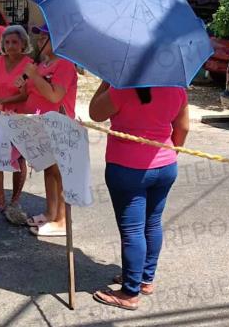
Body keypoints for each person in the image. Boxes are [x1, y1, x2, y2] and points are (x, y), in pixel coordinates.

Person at [88, 81, 190, 311]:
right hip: (165, 166)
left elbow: (95, 112)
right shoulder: (176, 88)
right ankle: (145, 280)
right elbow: (183, 128)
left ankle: (129, 292)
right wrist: (170, 153)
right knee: (152, 222)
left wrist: (107, 80)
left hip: (127, 168)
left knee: (133, 229)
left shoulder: (122, 89)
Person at [23, 24, 78, 237]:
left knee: (59, 173)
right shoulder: (46, 64)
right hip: (42, 123)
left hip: (59, 126)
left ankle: (62, 220)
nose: (39, 41)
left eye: (44, 37)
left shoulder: (64, 65)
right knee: (48, 169)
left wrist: (34, 76)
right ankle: (50, 212)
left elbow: (55, 96)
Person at [0, 25, 33, 218]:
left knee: (17, 160)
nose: (10, 46)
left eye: (15, 42)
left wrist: (4, 101)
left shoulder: (29, 65)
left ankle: (15, 201)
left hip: (17, 118)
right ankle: (0, 201)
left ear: (23, 44)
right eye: (7, 42)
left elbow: (25, 94)